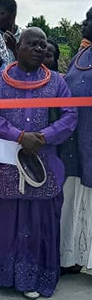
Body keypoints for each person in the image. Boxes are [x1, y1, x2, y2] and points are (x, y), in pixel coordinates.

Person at [0, 27, 77, 299]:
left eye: (42, 45)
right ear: (18, 46)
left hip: (42, 162)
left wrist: (44, 137)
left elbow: (70, 115)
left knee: (37, 222)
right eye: (32, 44)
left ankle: (33, 278)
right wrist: (19, 136)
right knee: (4, 220)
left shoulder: (56, 81)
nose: (39, 49)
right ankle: (1, 275)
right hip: (8, 161)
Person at [60, 6, 92, 276]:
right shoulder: (82, 55)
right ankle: (74, 257)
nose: (84, 24)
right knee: (72, 197)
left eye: (90, 20)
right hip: (73, 142)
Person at [0, 0, 21, 66]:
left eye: (0, 14)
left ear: (13, 15)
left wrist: (14, 49)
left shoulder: (24, 37)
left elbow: (28, 67)